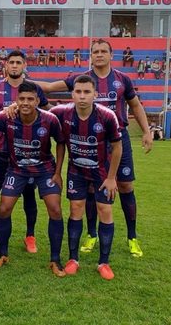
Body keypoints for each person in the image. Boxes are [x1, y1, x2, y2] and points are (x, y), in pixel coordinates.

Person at [36, 39, 152, 258]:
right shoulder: (81, 80)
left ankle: (132, 237)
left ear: (111, 54)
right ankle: (91, 234)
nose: (99, 54)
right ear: (91, 55)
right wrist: (23, 80)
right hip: (88, 140)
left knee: (125, 186)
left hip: (118, 139)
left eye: (103, 51)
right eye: (95, 51)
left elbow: (135, 105)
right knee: (90, 188)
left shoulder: (122, 80)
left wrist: (147, 131)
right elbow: (50, 88)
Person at [0, 82, 67, 277]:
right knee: (4, 207)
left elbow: (61, 143)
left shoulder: (50, 120)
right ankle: (2, 254)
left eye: (30, 99)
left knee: (55, 209)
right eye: (21, 99)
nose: (25, 103)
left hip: (45, 169)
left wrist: (57, 173)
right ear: (16, 100)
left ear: (37, 101)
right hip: (17, 169)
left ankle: (55, 260)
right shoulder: (7, 117)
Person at [50, 75, 122, 280]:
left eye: (87, 92)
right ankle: (73, 259)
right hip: (76, 171)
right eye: (78, 92)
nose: (82, 96)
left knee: (104, 210)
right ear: (72, 94)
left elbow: (118, 148)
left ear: (95, 95)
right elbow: (38, 112)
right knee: (75, 210)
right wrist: (11, 109)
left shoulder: (107, 116)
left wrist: (111, 178)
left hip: (102, 171)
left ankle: (104, 263)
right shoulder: (62, 113)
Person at [0, 50, 52, 254]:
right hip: (0, 151)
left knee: (29, 196)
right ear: (5, 65)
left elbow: (47, 113)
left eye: (18, 62)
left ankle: (30, 236)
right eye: (11, 62)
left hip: (27, 154)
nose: (14, 65)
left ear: (24, 65)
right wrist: (4, 113)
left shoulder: (35, 89)